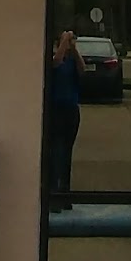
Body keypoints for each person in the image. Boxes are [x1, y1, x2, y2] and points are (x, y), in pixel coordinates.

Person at [47, 29, 87, 205]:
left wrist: (74, 48)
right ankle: (54, 193)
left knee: (66, 153)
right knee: (56, 152)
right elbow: (56, 62)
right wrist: (64, 40)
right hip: (56, 110)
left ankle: (65, 193)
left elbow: (83, 70)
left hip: (71, 111)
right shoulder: (53, 60)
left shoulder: (72, 62)